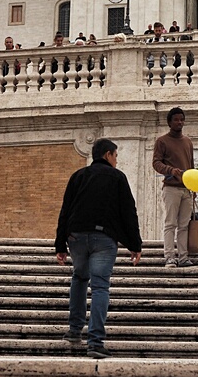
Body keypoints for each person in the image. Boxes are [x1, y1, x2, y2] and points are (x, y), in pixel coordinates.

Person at [55, 138, 142, 359]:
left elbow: (65, 210)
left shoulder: (78, 176)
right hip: (104, 238)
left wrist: (60, 244)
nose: (116, 160)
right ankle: (95, 342)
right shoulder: (118, 177)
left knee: (79, 278)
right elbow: (128, 212)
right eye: (115, 155)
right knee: (100, 287)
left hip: (76, 236)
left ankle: (74, 331)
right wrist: (135, 245)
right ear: (107, 155)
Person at [152, 107, 197, 268]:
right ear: (169, 122)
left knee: (184, 224)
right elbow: (156, 163)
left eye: (182, 119)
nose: (179, 122)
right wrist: (171, 170)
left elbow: (191, 165)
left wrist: (194, 187)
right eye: (176, 120)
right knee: (170, 223)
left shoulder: (187, 141)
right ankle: (169, 256)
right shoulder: (162, 141)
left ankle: (183, 257)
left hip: (186, 189)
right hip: (171, 187)